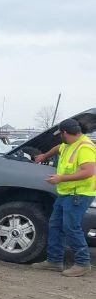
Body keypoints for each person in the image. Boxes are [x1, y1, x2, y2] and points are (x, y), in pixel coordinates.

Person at [32, 118, 96, 276]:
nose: (60, 137)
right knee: (55, 225)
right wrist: (44, 156)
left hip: (79, 194)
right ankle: (54, 261)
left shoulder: (85, 147)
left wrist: (61, 178)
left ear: (64, 133)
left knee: (71, 227)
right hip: (66, 193)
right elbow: (57, 148)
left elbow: (88, 171)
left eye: (60, 134)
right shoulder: (69, 144)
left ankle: (82, 263)